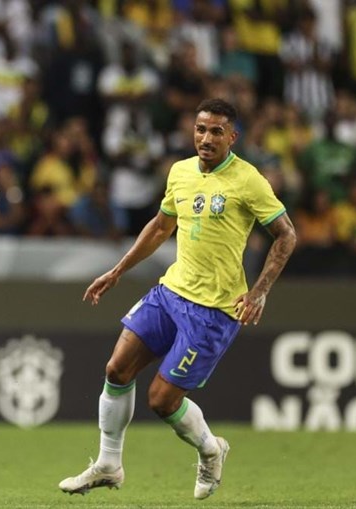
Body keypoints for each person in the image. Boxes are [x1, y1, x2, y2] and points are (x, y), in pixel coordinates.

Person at [58, 98, 296, 500]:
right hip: (170, 293)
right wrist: (118, 271)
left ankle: (210, 449)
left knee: (162, 401)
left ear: (232, 137)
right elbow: (160, 227)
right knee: (116, 370)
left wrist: (260, 292)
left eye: (216, 131)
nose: (206, 138)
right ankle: (109, 464)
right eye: (201, 129)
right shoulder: (180, 172)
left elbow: (286, 235)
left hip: (214, 311)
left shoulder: (248, 180)